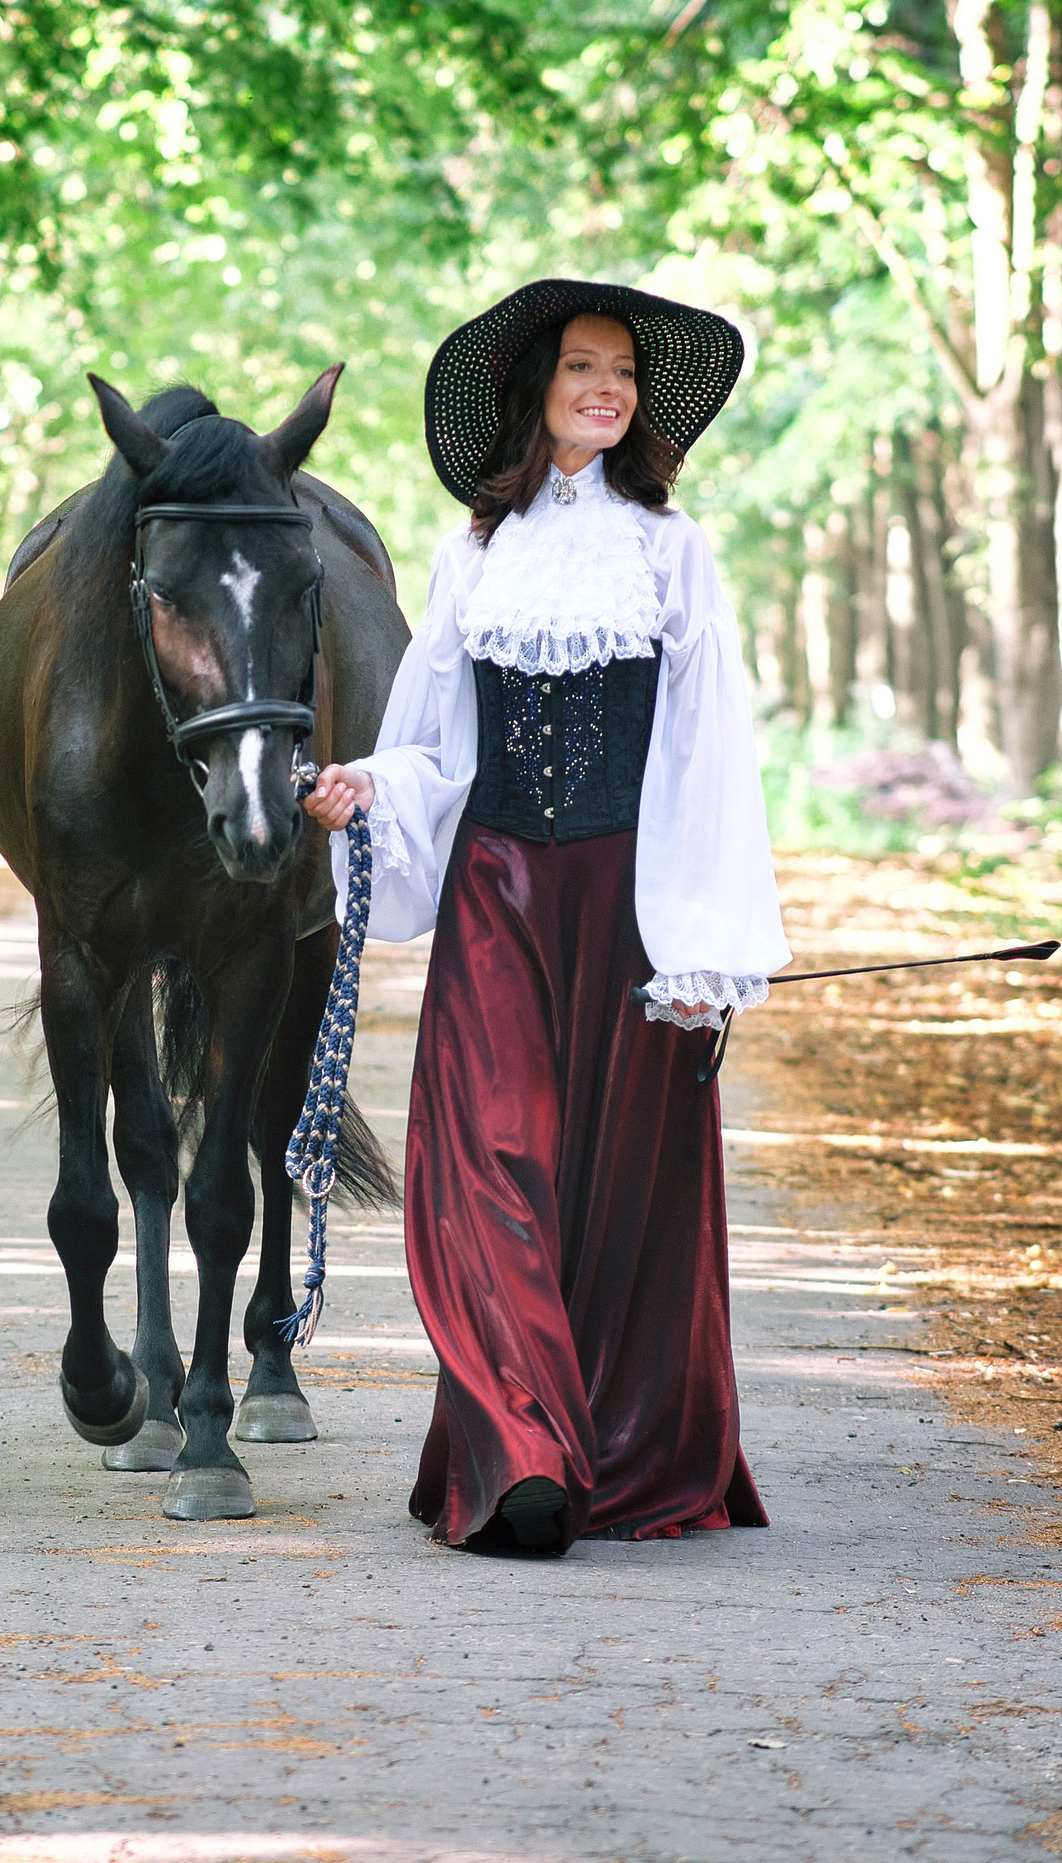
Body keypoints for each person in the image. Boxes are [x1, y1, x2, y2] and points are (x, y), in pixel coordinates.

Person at [302, 279, 791, 1557]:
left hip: (629, 905)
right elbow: (433, 747)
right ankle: (521, 1454)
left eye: (622, 371)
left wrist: (702, 943)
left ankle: (613, 1449)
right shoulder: (473, 555)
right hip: (498, 898)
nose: (605, 388)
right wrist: (367, 788)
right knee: (487, 1167)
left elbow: (706, 752)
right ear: (537, 394)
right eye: (581, 366)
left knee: (620, 1189)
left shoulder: (672, 552)